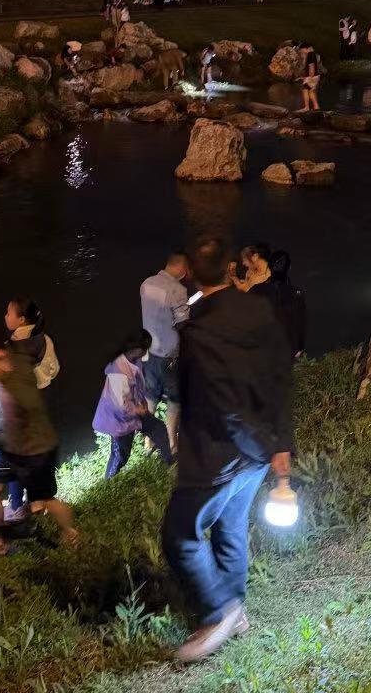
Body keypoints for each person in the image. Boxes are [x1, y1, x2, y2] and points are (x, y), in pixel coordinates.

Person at [162, 236, 294, 663]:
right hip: (259, 450)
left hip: (218, 453)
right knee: (230, 526)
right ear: (231, 268)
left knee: (180, 534)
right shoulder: (259, 310)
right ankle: (235, 611)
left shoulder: (198, 331)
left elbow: (222, 405)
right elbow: (280, 373)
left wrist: (258, 444)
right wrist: (278, 444)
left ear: (190, 275)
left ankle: (218, 611)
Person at [0, 322, 76, 557]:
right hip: (7, 445)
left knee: (44, 500)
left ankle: (70, 534)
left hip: (34, 448)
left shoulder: (13, 369)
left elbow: (19, 413)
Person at [94, 330, 172, 477]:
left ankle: (170, 463)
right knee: (120, 455)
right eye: (145, 349)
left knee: (158, 428)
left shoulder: (135, 361)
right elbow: (119, 407)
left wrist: (141, 404)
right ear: (137, 349)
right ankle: (109, 482)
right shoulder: (118, 372)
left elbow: (137, 387)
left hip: (134, 412)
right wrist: (138, 410)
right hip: (119, 420)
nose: (146, 352)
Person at [140, 252, 191, 450]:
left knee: (150, 396)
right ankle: (171, 443)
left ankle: (148, 440)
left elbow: (156, 312)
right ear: (182, 267)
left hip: (149, 351)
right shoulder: (177, 289)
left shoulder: (146, 284)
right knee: (175, 399)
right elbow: (182, 324)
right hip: (170, 355)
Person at [265, 250, 307, 358]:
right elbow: (300, 323)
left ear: (269, 267)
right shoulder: (297, 293)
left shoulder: (256, 290)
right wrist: (299, 347)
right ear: (289, 268)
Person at [299, 43, 321, 112]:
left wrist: (310, 77)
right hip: (314, 76)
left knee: (306, 90)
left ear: (306, 48)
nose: (302, 52)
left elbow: (311, 66)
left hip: (312, 76)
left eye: (302, 50)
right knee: (310, 91)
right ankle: (316, 107)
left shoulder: (310, 54)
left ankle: (308, 107)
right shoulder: (312, 54)